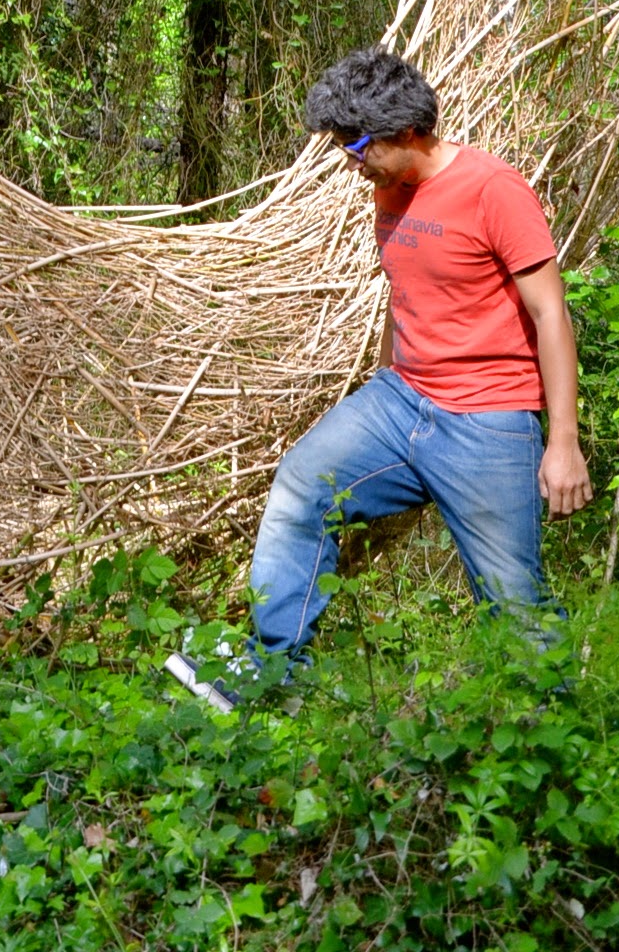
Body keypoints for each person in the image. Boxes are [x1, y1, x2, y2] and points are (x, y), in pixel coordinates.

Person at [167, 47, 592, 712]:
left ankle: (559, 734)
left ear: (408, 130)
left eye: (358, 144)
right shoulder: (389, 191)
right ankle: (273, 674)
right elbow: (406, 289)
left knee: (515, 603)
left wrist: (562, 442)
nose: (350, 159)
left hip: (487, 419)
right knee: (301, 488)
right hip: (402, 400)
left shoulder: (493, 191)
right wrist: (383, 381)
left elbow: (550, 314)